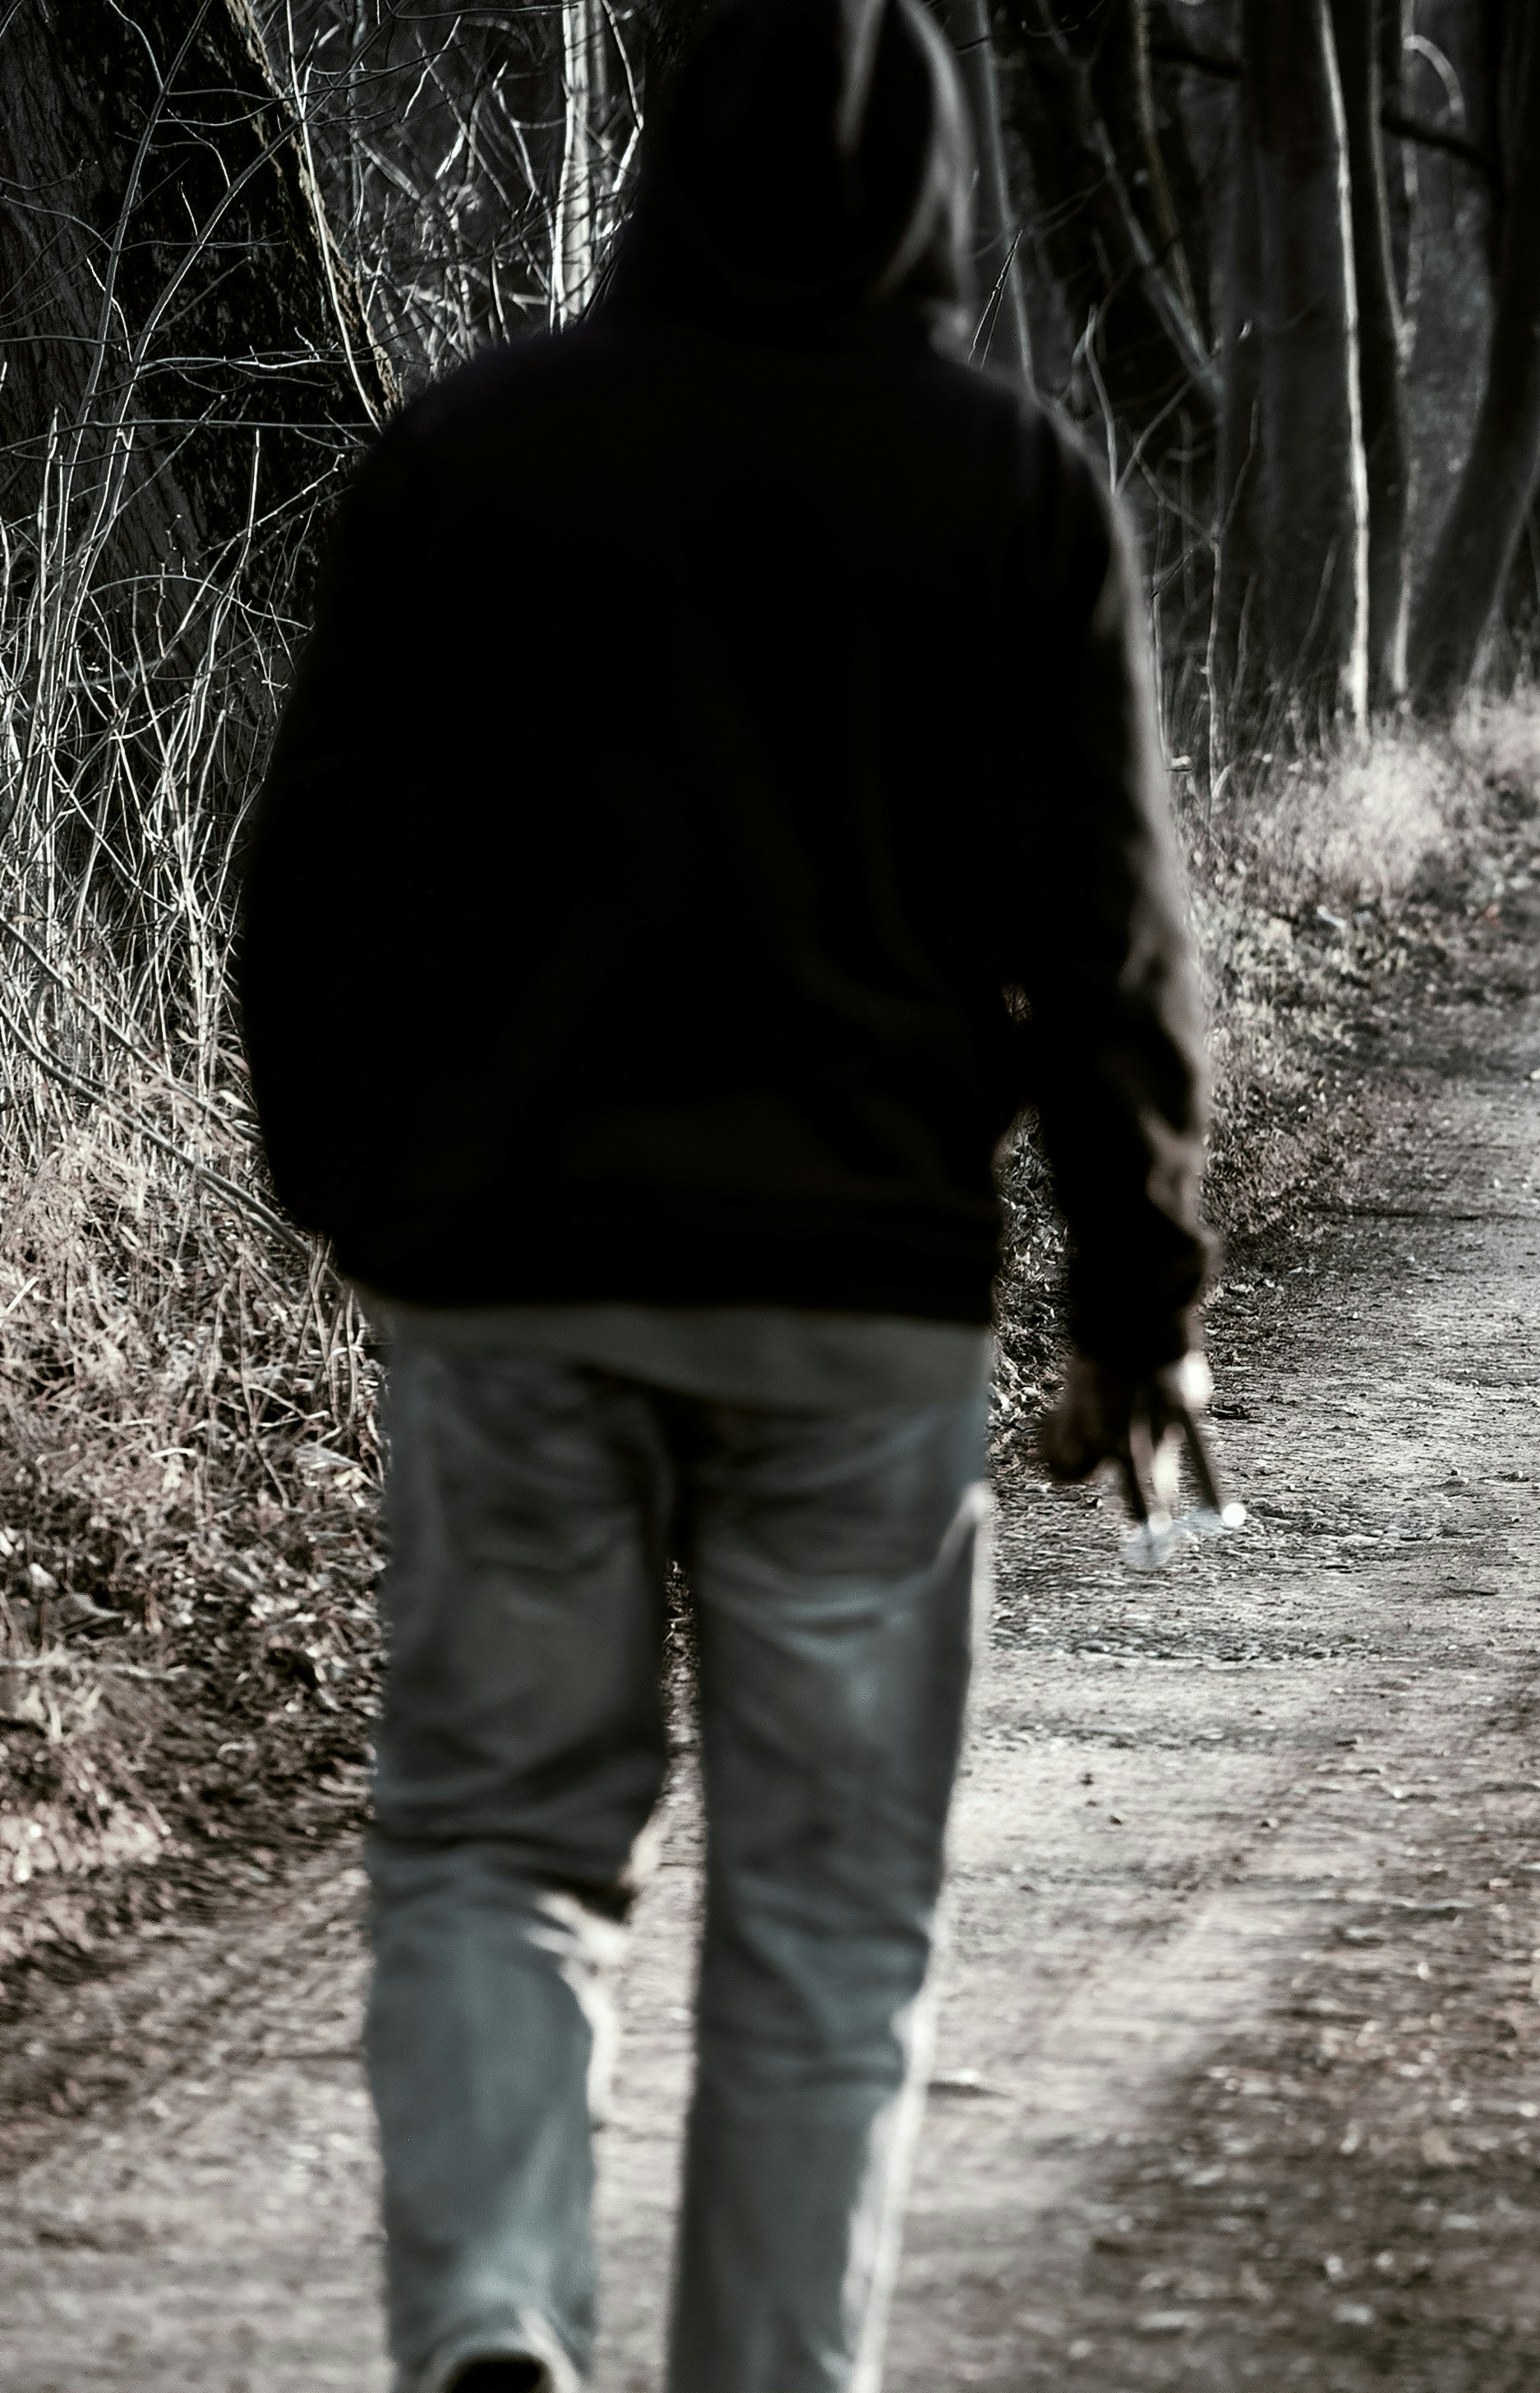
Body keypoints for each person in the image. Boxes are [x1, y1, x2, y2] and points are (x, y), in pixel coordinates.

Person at [235, 1, 1216, 2384]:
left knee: (494, 1842)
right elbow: (1106, 940)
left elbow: (311, 896)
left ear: (667, 150)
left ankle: (489, 2320)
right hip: (853, 1319)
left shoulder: (466, 459)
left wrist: (371, 1202)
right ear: (944, 180)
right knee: (826, 1923)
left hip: (516, 1296)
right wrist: (1133, 1297)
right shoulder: (1008, 490)